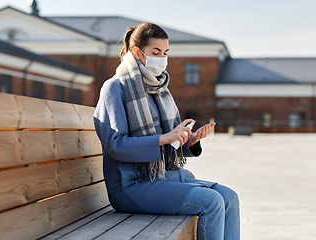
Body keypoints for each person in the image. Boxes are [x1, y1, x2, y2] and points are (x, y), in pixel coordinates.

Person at [93, 22, 240, 240]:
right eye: (156, 52)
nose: (162, 58)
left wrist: (189, 142)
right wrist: (163, 138)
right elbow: (115, 145)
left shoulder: (158, 89)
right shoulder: (114, 88)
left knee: (230, 197)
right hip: (130, 185)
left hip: (161, 177)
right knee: (212, 202)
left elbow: (168, 146)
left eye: (165, 52)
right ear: (137, 52)